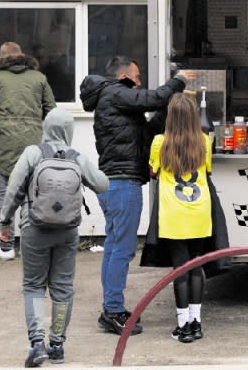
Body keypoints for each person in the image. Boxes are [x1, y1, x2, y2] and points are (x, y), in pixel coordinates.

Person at [79, 57, 193, 336]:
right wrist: (179, 80)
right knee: (122, 250)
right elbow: (153, 97)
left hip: (115, 184)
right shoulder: (115, 92)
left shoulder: (115, 101)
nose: (139, 82)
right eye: (136, 77)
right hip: (122, 185)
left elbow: (147, 131)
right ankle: (113, 312)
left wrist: (169, 110)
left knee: (115, 247)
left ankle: (111, 307)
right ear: (123, 77)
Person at [0, 108, 109, 367]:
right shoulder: (75, 157)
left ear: (45, 128)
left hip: (34, 229)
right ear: (68, 131)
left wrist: (5, 221)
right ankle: (57, 345)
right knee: (62, 288)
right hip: (67, 232)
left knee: (34, 286)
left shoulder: (32, 153)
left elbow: (13, 188)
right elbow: (102, 184)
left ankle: (37, 344)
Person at [148, 93, 214, 344]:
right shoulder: (205, 141)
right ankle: (196, 323)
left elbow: (153, 172)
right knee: (197, 267)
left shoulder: (158, 142)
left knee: (180, 270)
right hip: (199, 213)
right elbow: (207, 171)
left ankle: (183, 325)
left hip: (172, 215)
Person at [0, 41, 57, 261]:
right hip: (32, 144)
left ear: (0, 57)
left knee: (5, 195)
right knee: (31, 196)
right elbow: (52, 111)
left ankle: (6, 246)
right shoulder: (38, 78)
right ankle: (32, 245)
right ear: (22, 56)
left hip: (1, 143)